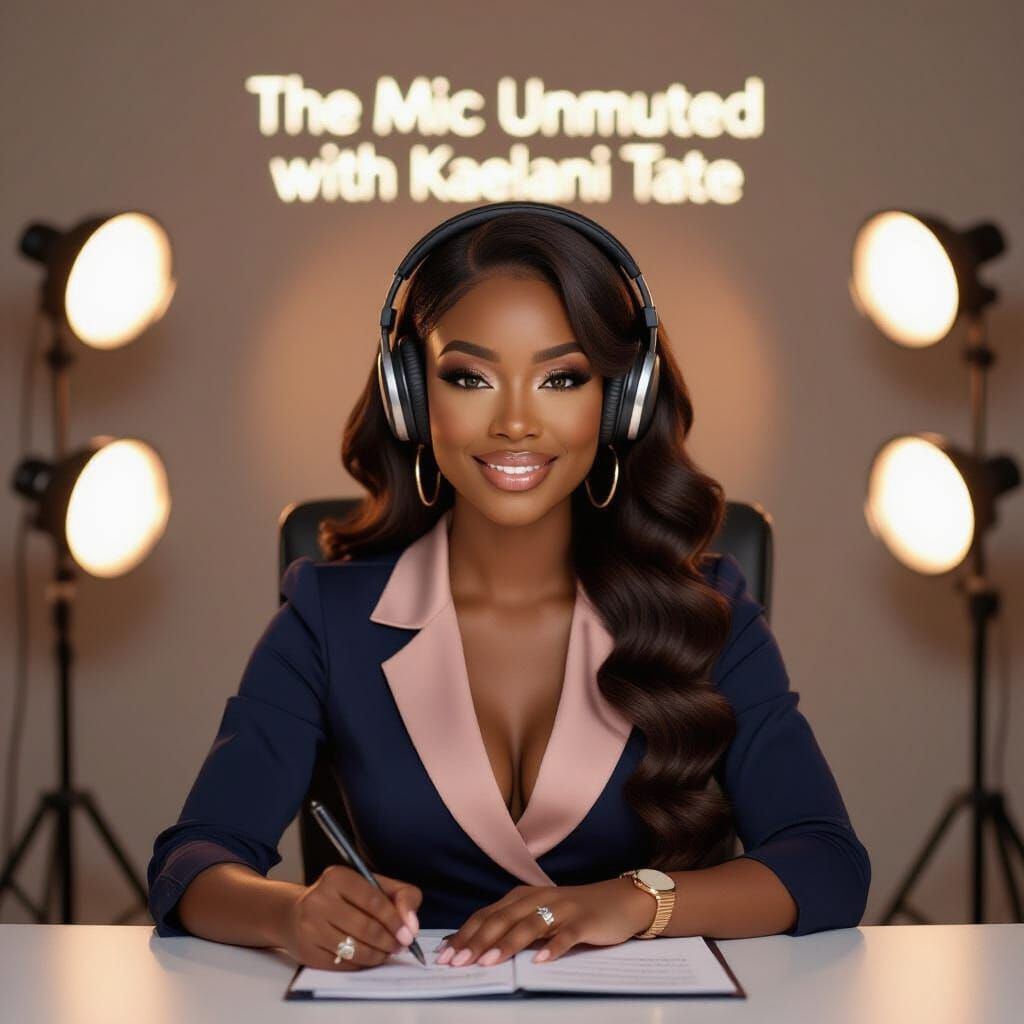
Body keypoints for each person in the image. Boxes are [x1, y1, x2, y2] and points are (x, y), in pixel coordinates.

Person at [147, 205, 870, 973]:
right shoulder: (328, 616)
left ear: (619, 400)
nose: (516, 422)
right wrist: (291, 914)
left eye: (562, 377)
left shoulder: (709, 608)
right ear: (411, 396)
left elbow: (826, 863)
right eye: (470, 377)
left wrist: (635, 901)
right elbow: (192, 862)